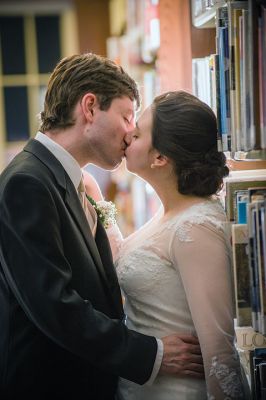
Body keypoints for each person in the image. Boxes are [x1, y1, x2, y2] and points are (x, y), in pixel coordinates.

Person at [0, 54, 204, 400]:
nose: (131, 133)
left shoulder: (68, 178)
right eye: (127, 117)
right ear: (90, 107)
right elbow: (55, 305)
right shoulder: (27, 183)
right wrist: (151, 353)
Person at [85, 91, 246, 399]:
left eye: (139, 131)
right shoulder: (169, 213)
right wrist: (97, 200)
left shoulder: (195, 228)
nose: (128, 133)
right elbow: (134, 259)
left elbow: (219, 352)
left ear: (160, 157)